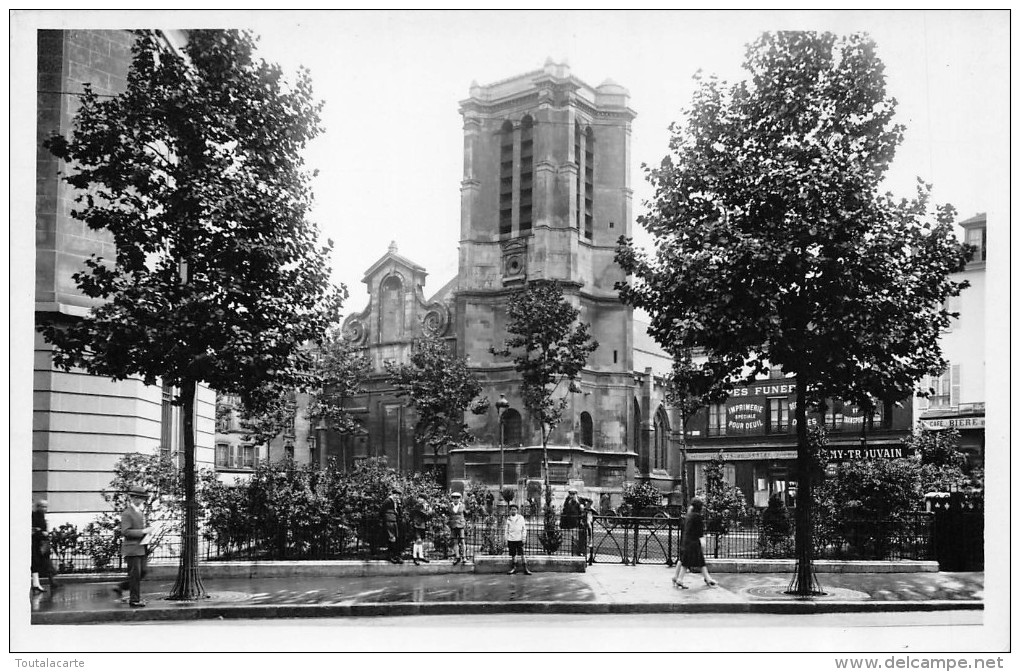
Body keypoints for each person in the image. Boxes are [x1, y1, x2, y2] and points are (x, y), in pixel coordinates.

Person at [115, 486, 152, 607]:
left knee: (143, 572)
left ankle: (121, 587)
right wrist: (143, 532)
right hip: (132, 549)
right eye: (139, 498)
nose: (141, 500)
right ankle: (134, 600)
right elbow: (125, 531)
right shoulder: (127, 513)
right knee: (135, 575)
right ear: (133, 498)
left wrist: (148, 532)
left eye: (142, 498)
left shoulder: (139, 512)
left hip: (141, 547)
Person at [672, 498, 717, 589]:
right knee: (689, 561)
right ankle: (680, 580)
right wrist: (702, 540)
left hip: (686, 541)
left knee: (684, 560)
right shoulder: (697, 517)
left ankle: (675, 577)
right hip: (694, 542)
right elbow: (699, 531)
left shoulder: (689, 516)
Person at [31, 499, 57, 592]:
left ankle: (38, 584)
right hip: (37, 543)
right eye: (43, 507)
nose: (45, 509)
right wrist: (42, 532)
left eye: (46, 507)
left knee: (41, 562)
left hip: (42, 543)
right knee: (37, 562)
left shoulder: (41, 516)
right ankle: (40, 584)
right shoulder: (34, 516)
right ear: (38, 507)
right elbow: (34, 530)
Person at [504, 504, 532, 575]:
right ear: (510, 511)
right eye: (512, 509)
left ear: (517, 510)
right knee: (513, 555)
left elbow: (524, 529)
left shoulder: (521, 518)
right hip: (511, 539)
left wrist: (523, 537)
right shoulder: (508, 519)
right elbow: (506, 530)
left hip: (519, 539)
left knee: (522, 554)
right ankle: (514, 568)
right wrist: (506, 539)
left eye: (515, 509)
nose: (513, 511)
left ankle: (525, 569)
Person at [380, 486, 404, 564]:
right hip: (388, 521)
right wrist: (384, 518)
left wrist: (399, 505)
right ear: (393, 494)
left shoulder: (396, 503)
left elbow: (399, 513)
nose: (397, 497)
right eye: (396, 495)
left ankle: (395, 555)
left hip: (394, 521)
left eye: (398, 495)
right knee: (391, 538)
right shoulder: (388, 501)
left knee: (396, 538)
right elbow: (382, 510)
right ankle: (391, 556)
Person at [411, 495, 431, 566]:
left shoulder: (426, 506)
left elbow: (429, 514)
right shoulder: (417, 506)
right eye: (419, 498)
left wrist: (428, 511)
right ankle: (415, 556)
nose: (420, 500)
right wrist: (427, 511)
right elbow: (425, 514)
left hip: (422, 525)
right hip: (417, 524)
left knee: (420, 541)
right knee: (418, 540)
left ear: (425, 500)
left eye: (422, 499)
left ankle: (421, 556)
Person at [447, 491, 466, 565]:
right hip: (453, 525)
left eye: (457, 498)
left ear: (460, 499)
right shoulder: (449, 506)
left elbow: (466, 513)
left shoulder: (462, 506)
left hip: (460, 525)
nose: (456, 500)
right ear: (452, 499)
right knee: (455, 541)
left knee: (462, 541)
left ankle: (464, 556)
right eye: (454, 498)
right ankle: (457, 556)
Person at [581, 497, 596, 565]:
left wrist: (584, 498)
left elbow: (591, 500)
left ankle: (589, 558)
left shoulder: (587, 507)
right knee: (584, 542)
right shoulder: (583, 507)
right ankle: (585, 557)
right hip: (584, 525)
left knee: (589, 541)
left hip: (588, 524)